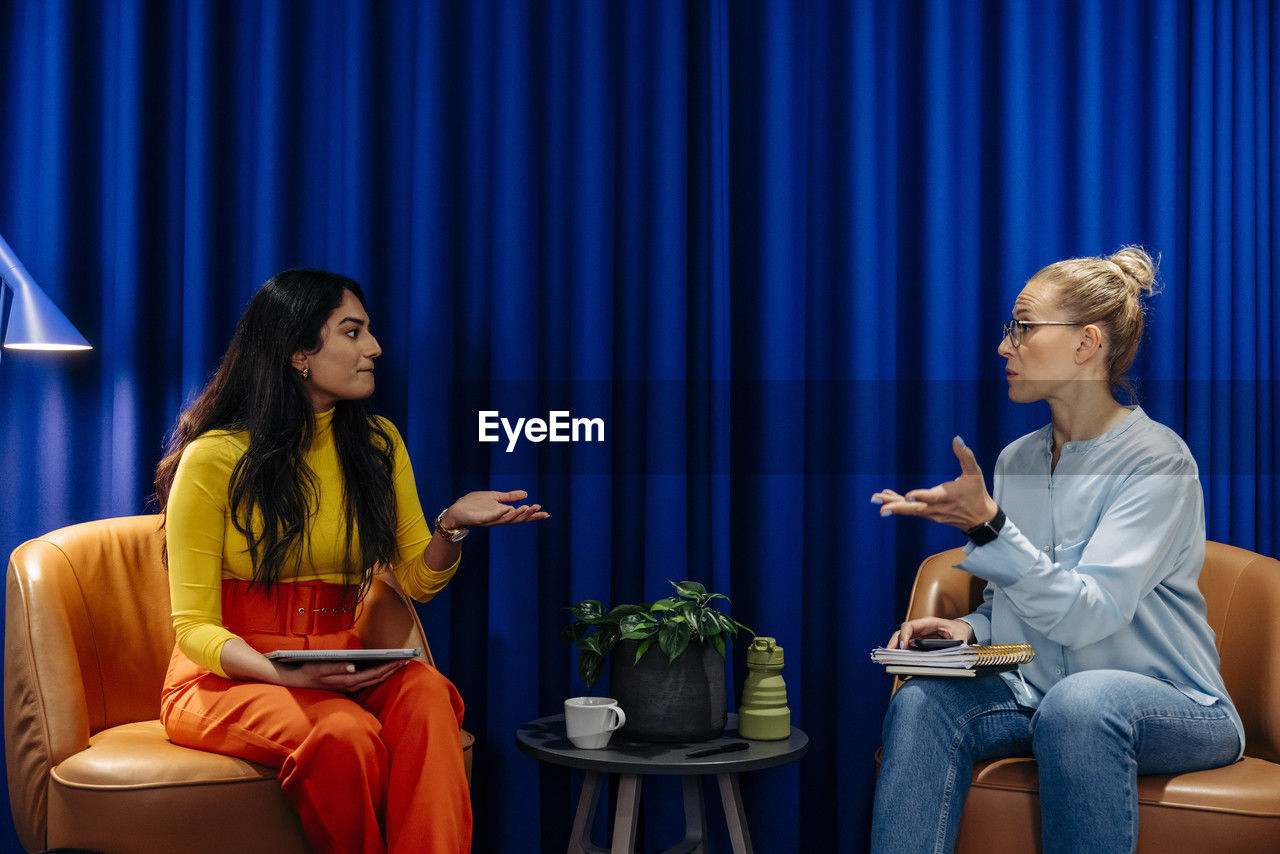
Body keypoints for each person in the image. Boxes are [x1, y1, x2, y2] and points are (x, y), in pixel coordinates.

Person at [154, 270, 547, 853]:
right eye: (352, 331)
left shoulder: (378, 444)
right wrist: (282, 672)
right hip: (226, 676)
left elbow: (417, 578)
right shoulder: (214, 459)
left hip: (342, 657)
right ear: (298, 354)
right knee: (346, 735)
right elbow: (193, 628)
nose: (375, 348)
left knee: (429, 697)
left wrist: (454, 525)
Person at [868, 247, 1243, 854]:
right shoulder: (1016, 459)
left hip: (1175, 704)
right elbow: (1025, 603)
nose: (1003, 346)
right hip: (1035, 693)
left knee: (1080, 702)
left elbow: (1087, 613)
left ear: (1085, 343)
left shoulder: (1158, 462)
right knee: (923, 703)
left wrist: (988, 526)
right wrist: (972, 627)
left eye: (1022, 327)